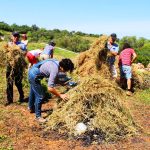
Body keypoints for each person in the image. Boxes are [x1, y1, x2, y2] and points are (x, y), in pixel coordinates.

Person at [28, 58, 74, 123]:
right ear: (63, 68)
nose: (65, 72)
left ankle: (30, 108)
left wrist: (62, 83)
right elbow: (50, 88)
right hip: (34, 75)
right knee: (40, 96)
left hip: (32, 71)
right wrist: (60, 95)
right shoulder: (55, 69)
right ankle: (38, 117)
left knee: (33, 90)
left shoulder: (57, 62)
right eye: (66, 70)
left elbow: (55, 77)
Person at [5, 32, 27, 105]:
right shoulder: (8, 44)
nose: (16, 37)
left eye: (17, 36)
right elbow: (5, 52)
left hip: (18, 67)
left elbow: (25, 53)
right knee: (9, 83)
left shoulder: (22, 45)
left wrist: (20, 54)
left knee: (18, 83)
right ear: (12, 36)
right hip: (9, 67)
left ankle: (21, 96)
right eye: (14, 36)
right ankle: (9, 100)